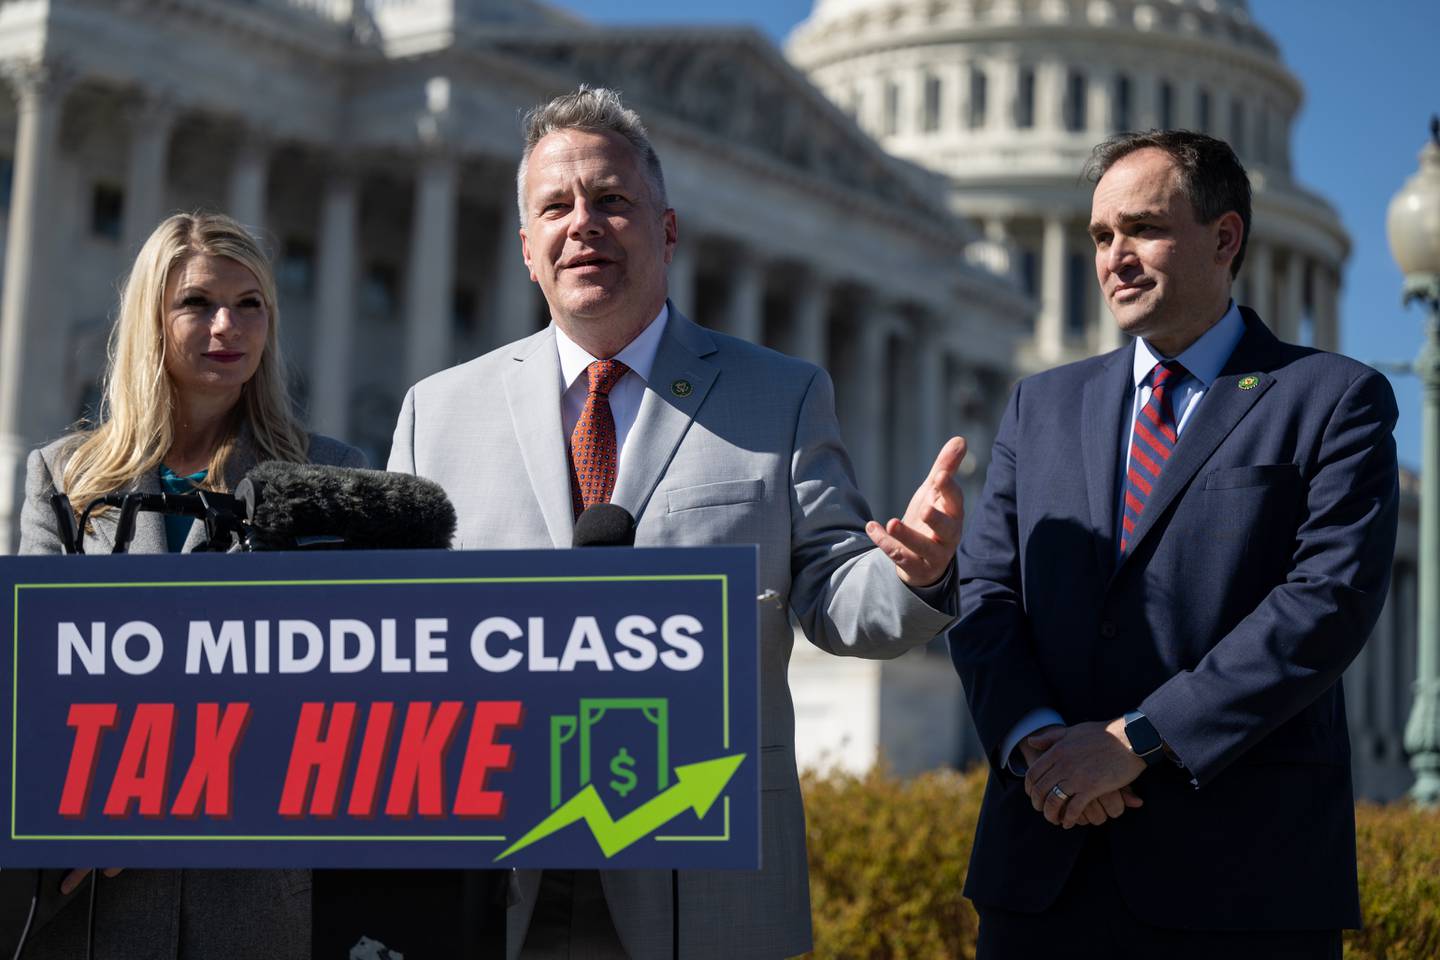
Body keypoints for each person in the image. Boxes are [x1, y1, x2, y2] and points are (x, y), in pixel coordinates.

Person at [387, 86, 966, 959]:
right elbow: (396, 634)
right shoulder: (439, 412)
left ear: (666, 231)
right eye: (557, 206)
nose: (583, 223)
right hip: (499, 875)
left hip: (700, 875)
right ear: (527, 251)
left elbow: (835, 594)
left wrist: (916, 573)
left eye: (612, 201)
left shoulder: (779, 395)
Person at [949, 129, 1398, 959]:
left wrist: (1135, 741)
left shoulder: (1332, 399)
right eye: (1100, 236)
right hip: (1044, 872)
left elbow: (1323, 605)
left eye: (1144, 228)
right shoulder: (1038, 407)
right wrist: (1039, 743)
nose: (1116, 255)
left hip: (1242, 883)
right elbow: (986, 593)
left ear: (1225, 238)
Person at [8, 211, 364, 958]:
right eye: (197, 303)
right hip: (90, 887)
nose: (226, 326)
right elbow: (37, 672)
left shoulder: (332, 475)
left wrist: (161, 787)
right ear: (152, 318)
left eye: (250, 304)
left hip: (255, 887)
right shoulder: (64, 475)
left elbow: (347, 680)